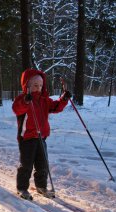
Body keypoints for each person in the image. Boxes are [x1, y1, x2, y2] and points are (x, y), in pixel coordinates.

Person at [12, 68, 71, 200]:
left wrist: (63, 99)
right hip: (27, 138)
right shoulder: (22, 99)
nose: (38, 88)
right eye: (35, 85)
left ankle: (41, 186)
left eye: (40, 85)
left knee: (42, 163)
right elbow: (17, 108)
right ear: (27, 85)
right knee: (26, 164)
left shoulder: (44, 100)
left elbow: (55, 107)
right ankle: (22, 187)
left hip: (41, 137)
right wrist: (26, 101)